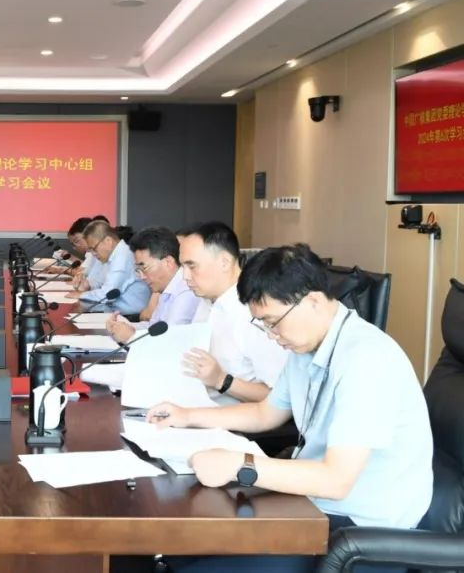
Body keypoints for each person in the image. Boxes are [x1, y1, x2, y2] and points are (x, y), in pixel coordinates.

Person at [148, 244, 432, 573]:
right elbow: (266, 413)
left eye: (273, 322)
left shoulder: (367, 359)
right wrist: (187, 416)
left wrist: (241, 465)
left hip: (359, 532)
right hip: (313, 506)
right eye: (263, 325)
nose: (272, 336)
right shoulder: (307, 347)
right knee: (180, 548)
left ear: (312, 301)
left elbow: (336, 480)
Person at [180, 221, 287, 403]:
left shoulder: (257, 312)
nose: (185, 276)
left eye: (192, 266)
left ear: (225, 262)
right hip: (191, 402)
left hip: (228, 416)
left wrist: (222, 380)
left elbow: (280, 396)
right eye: (182, 267)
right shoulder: (206, 301)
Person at [106, 227, 202, 342]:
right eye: (138, 270)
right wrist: (122, 327)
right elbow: (152, 326)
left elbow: (169, 342)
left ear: (168, 262)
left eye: (145, 268)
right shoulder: (166, 288)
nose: (142, 277)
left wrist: (130, 337)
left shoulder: (186, 291)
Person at [66, 219, 150, 315]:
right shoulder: (111, 256)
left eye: (94, 249)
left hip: (130, 317)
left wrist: (82, 295)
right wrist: (88, 285)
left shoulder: (122, 257)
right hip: (112, 310)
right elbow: (100, 282)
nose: (93, 254)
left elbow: (107, 294)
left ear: (108, 241)